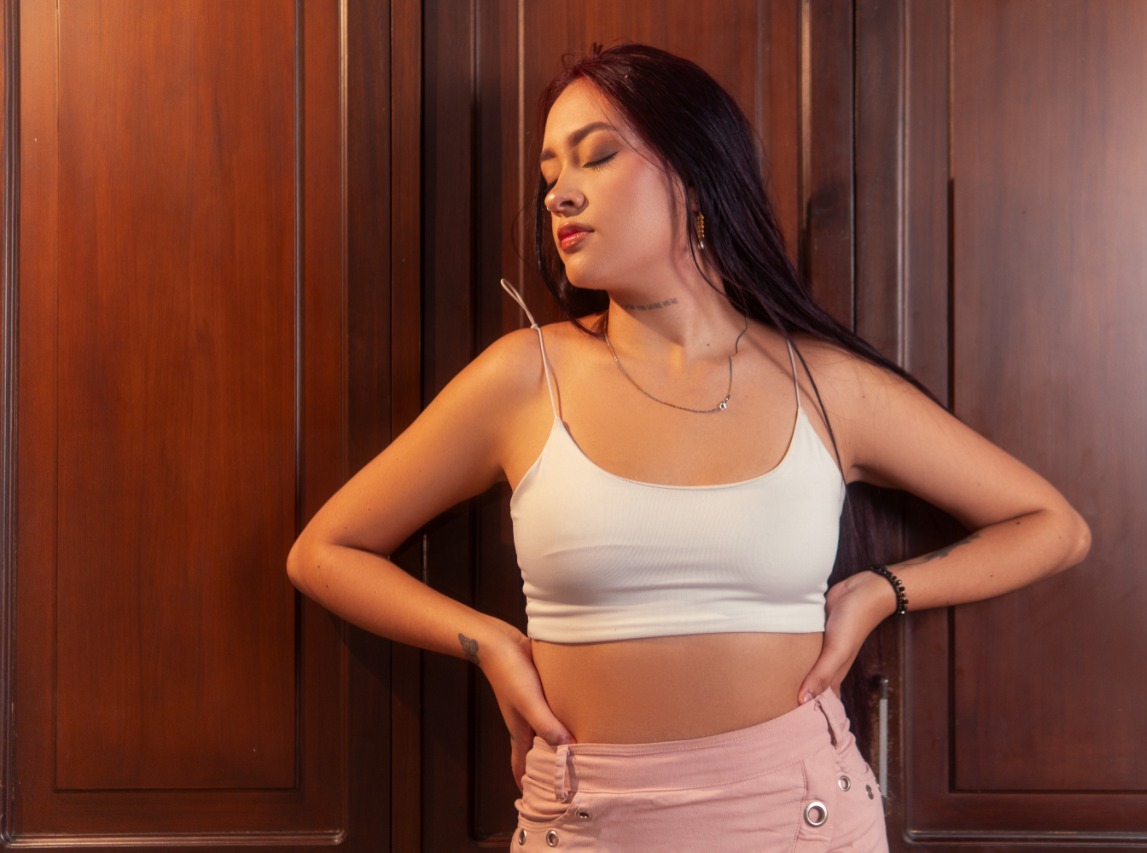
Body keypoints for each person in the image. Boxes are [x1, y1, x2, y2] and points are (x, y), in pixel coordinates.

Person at [287, 43, 1091, 851]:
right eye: (549, 174)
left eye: (598, 155)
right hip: (584, 824)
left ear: (696, 175)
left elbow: (1051, 525)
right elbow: (326, 550)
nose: (559, 193)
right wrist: (490, 642)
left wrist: (879, 592)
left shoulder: (827, 386)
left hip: (802, 819)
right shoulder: (524, 377)